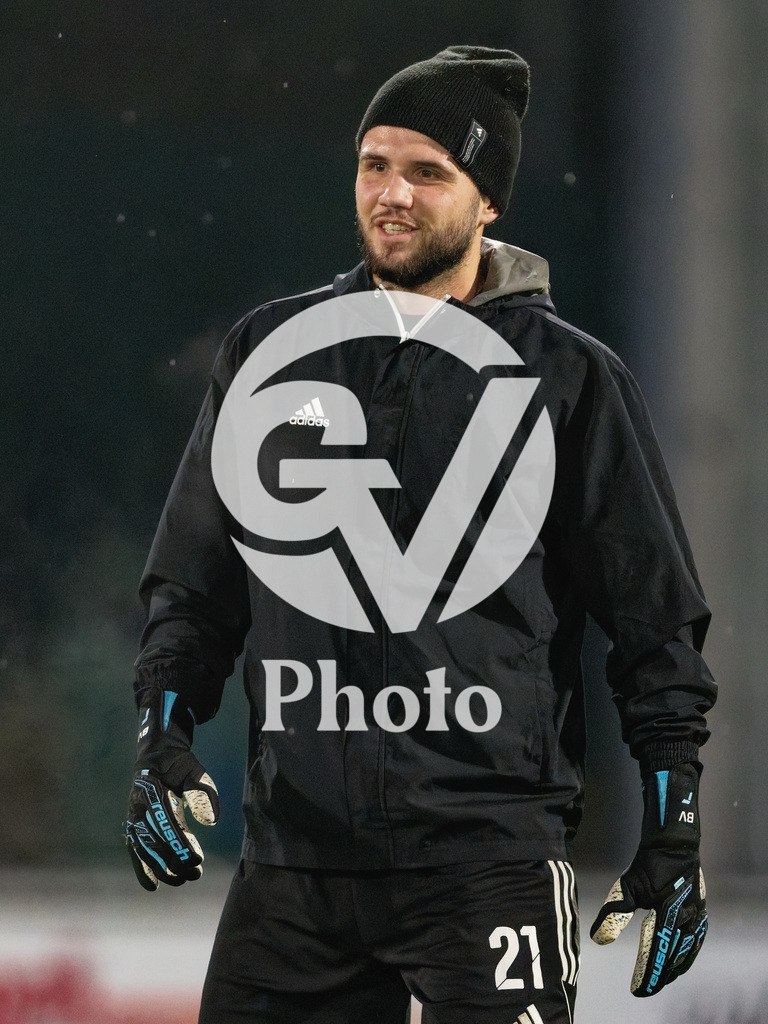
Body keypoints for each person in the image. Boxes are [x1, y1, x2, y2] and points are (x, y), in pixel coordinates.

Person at [125, 46, 717, 1024]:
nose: (392, 194)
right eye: (374, 164)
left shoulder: (567, 379)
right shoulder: (269, 355)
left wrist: (675, 831)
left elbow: (657, 628)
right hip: (295, 871)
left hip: (489, 863)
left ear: (490, 202)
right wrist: (161, 735)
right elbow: (193, 589)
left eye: (429, 172)